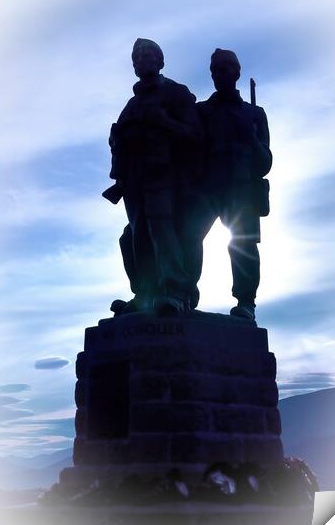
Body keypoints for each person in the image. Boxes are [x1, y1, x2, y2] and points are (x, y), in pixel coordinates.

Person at [108, 38, 202, 316]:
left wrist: (163, 121)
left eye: (147, 54)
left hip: (165, 175)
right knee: (138, 235)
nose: (141, 58)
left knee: (162, 230)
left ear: (160, 61)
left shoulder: (176, 93)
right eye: (136, 56)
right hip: (134, 179)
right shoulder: (131, 104)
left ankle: (174, 291)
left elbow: (195, 135)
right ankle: (145, 294)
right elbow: (119, 139)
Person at [181, 48, 273, 324]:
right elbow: (188, 148)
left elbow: (266, 162)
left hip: (242, 190)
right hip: (207, 187)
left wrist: (253, 141)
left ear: (237, 72)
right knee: (189, 237)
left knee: (242, 245)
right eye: (216, 70)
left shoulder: (255, 114)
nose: (220, 74)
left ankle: (246, 301)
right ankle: (186, 293)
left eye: (225, 68)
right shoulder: (202, 111)